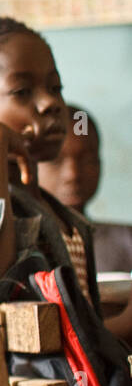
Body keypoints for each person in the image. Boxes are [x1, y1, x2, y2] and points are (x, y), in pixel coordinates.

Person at [0, 18, 132, 338]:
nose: (51, 104)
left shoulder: (55, 208)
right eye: (22, 92)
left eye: (55, 89)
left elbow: (78, 331)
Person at [38, 105, 132, 274]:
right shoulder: (16, 247)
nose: (72, 174)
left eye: (87, 159)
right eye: (55, 161)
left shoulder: (127, 242)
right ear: (29, 166)